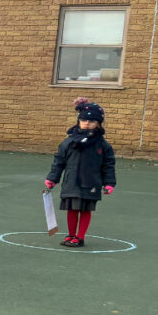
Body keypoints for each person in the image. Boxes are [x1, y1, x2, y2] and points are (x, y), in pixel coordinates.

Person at [45, 97, 116, 247]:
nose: (87, 123)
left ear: (98, 124)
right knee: (71, 209)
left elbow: (108, 164)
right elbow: (59, 161)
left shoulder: (102, 144)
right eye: (83, 120)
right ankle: (71, 235)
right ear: (79, 120)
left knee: (85, 210)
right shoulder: (69, 141)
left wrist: (109, 183)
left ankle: (80, 237)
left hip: (90, 182)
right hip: (71, 181)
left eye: (91, 121)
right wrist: (53, 178)